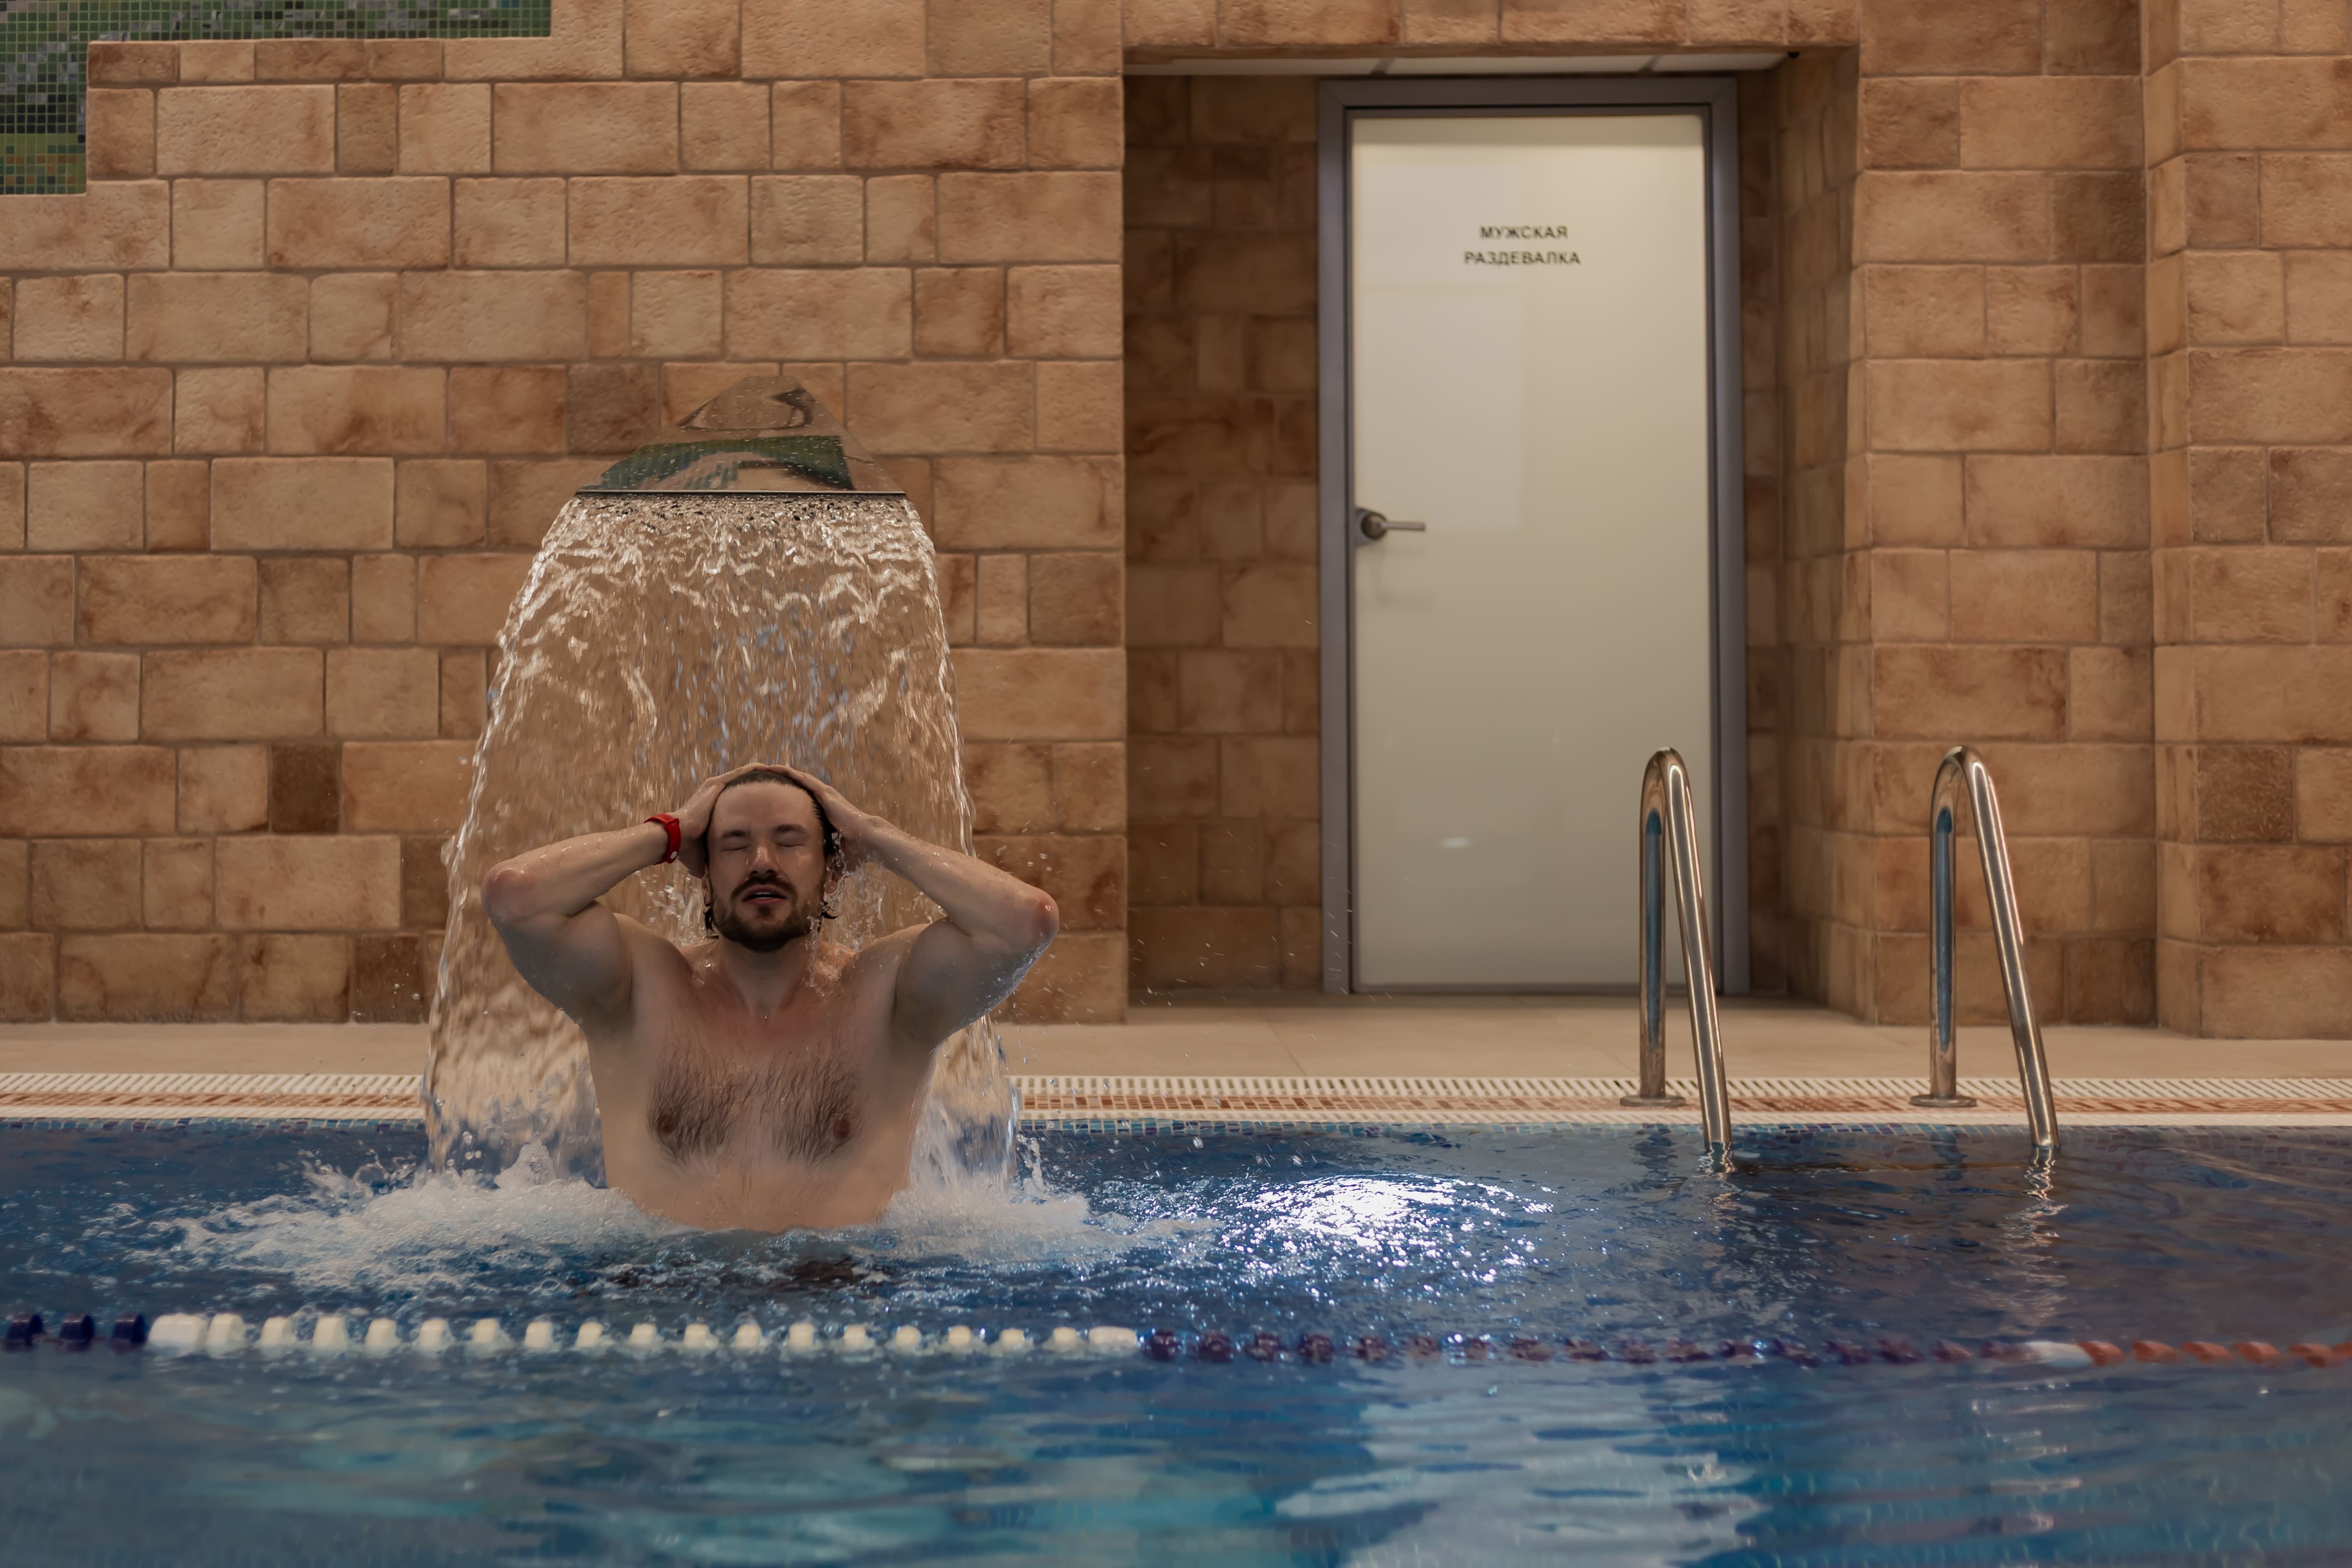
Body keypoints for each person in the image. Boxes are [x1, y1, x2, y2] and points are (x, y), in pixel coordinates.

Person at [481, 763, 1057, 1231]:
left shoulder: (887, 996)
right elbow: (515, 896)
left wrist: (874, 835)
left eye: (789, 842)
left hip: (841, 1306)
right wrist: (670, 832)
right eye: (734, 845)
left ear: (833, 873)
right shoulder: (638, 986)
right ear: (705, 878)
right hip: (663, 1306)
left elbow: (1025, 923)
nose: (762, 863)